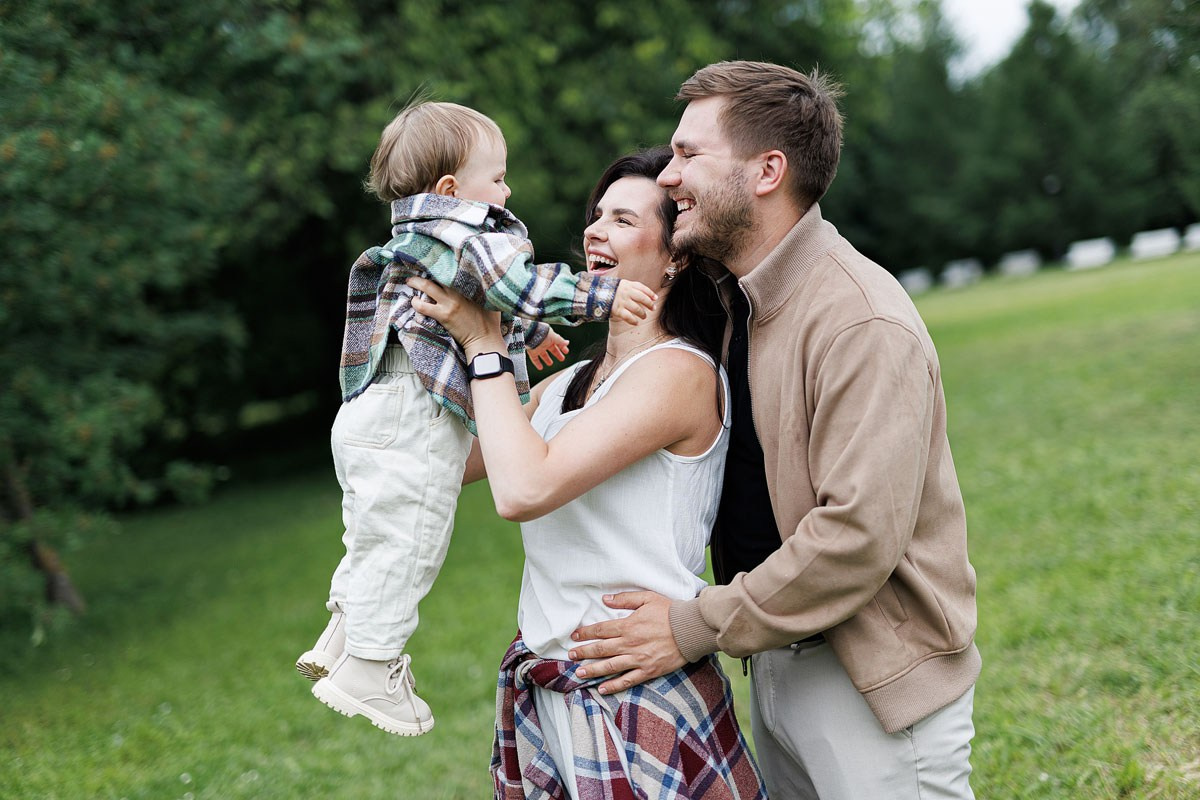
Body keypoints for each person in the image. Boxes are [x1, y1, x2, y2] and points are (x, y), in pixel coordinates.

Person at [567, 61, 981, 799]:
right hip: (775, 658)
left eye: (690, 155)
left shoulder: (860, 320)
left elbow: (856, 538)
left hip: (871, 683)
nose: (669, 177)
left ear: (767, 172)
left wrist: (691, 625)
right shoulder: (737, 299)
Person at [409, 147, 766, 799]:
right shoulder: (568, 382)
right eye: (596, 216)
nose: (594, 231)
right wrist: (427, 323)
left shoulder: (679, 374)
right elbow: (430, 469)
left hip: (638, 693)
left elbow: (523, 489)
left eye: (623, 221)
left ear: (677, 254)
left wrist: (485, 345)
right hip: (552, 686)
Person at [296, 100, 658, 738]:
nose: (506, 190)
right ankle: (371, 668)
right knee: (410, 543)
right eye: (496, 178)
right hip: (414, 414)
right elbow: (513, 283)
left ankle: (342, 639)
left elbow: (484, 297)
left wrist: (532, 330)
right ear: (450, 190)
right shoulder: (465, 232)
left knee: (375, 537)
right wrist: (597, 296)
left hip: (369, 412)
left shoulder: (421, 240)